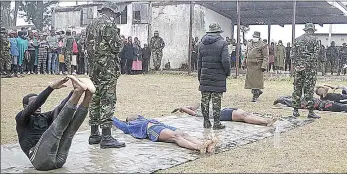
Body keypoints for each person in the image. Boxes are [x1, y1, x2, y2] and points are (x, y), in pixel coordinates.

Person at [16, 76, 95, 171]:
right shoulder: (21, 119)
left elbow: (61, 107)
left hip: (59, 160)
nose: (39, 106)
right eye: (35, 104)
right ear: (25, 107)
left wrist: (73, 92)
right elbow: (36, 104)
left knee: (70, 132)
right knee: (56, 129)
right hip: (40, 162)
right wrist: (51, 87)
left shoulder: (45, 117)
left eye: (40, 105)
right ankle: (79, 91)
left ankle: (88, 95)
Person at [85, 2, 125, 148]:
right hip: (107, 68)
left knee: (95, 98)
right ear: (111, 12)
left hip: (94, 68)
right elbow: (117, 47)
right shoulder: (108, 24)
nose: (114, 17)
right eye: (114, 14)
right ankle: (107, 137)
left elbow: (86, 46)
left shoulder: (91, 24)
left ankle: (94, 134)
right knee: (107, 99)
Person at [112, 115, 218, 154]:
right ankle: (197, 147)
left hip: (162, 125)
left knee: (183, 133)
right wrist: (109, 116)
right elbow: (118, 123)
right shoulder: (131, 125)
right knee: (176, 137)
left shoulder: (143, 118)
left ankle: (205, 145)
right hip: (152, 129)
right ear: (129, 120)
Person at [197, 22, 230, 130]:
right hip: (218, 76)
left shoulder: (201, 44)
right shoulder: (223, 43)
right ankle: (217, 123)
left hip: (205, 76)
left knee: (204, 100)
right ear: (218, 31)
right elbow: (225, 60)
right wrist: (227, 72)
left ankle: (206, 122)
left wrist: (200, 76)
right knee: (216, 101)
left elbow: (199, 62)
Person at [290, 23, 320, 119]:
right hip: (309, 68)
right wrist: (306, 64)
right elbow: (316, 54)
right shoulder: (315, 40)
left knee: (297, 88)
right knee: (309, 89)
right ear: (312, 30)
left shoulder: (297, 39)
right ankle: (310, 111)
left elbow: (292, 54)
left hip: (298, 68)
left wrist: (297, 64)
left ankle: (295, 110)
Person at [172, 104, 278, 127]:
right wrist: (181, 108)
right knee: (244, 116)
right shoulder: (199, 113)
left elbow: (192, 106)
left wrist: (184, 108)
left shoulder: (202, 105)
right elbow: (190, 111)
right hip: (222, 114)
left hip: (225, 109)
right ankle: (265, 122)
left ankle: (265, 120)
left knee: (246, 114)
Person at [273, 96, 347, 115]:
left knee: (343, 107)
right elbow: (288, 101)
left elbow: (288, 98)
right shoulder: (299, 103)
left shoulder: (301, 99)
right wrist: (280, 100)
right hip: (326, 106)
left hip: (326, 104)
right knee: (343, 107)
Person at [243, 31, 268, 102]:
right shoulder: (249, 43)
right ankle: (258, 92)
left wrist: (264, 66)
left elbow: (266, 56)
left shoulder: (263, 45)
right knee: (251, 82)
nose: (254, 38)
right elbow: (246, 53)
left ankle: (255, 95)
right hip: (250, 65)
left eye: (256, 37)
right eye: (254, 37)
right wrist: (244, 62)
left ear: (259, 38)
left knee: (256, 82)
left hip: (258, 65)